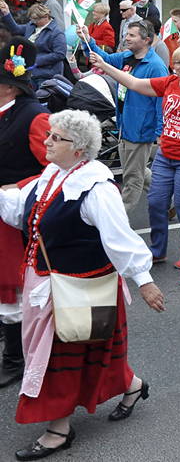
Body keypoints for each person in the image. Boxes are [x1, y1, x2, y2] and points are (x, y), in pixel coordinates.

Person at [0, 109, 165, 460]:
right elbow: (22, 214)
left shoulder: (96, 187)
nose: (46, 141)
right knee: (93, 351)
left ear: (78, 149)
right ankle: (133, 386)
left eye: (55, 137)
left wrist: (145, 281)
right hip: (47, 284)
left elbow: (119, 238)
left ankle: (58, 430)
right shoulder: (52, 175)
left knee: (56, 359)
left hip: (79, 289)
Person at [90, 46, 180, 265]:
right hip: (166, 155)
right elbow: (133, 83)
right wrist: (104, 66)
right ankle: (158, 251)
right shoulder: (169, 83)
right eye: (178, 62)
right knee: (155, 202)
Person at [0, 38, 50, 390]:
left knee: (12, 290)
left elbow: (57, 170)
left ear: (9, 86)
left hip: (14, 219)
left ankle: (15, 360)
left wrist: (16, 188)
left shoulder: (34, 117)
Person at [78, 21, 168, 212]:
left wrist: (160, 132)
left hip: (140, 128)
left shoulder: (156, 66)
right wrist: (87, 39)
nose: (126, 38)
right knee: (136, 169)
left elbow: (161, 102)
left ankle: (117, 218)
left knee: (132, 177)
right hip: (124, 124)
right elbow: (103, 59)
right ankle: (169, 200)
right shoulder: (127, 57)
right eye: (127, 34)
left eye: (132, 35)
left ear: (146, 40)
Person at [0, 1, 66, 89]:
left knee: (41, 96)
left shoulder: (57, 33)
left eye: (36, 19)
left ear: (46, 16)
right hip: (29, 73)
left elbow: (60, 54)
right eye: (32, 19)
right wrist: (6, 13)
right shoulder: (32, 25)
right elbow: (16, 29)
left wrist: (35, 60)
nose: (34, 21)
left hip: (46, 75)